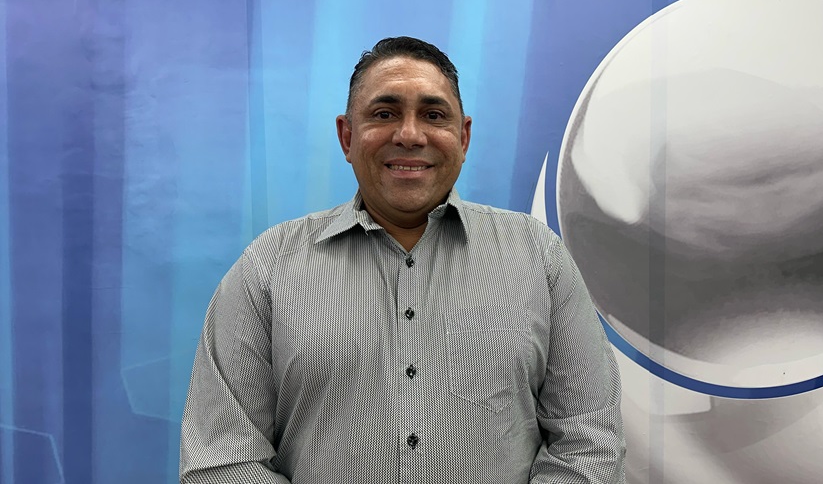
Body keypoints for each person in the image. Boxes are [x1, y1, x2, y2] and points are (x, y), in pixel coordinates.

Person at [179, 36, 625, 483]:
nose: (409, 135)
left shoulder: (538, 257)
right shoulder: (269, 267)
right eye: (384, 114)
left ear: (463, 137)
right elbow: (222, 458)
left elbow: (588, 443)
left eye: (433, 115)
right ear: (347, 136)